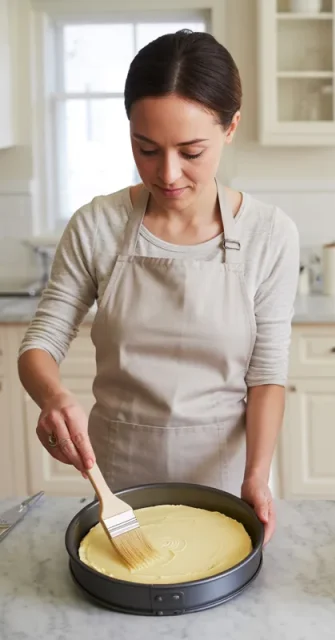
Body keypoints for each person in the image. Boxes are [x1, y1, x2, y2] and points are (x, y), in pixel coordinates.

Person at [18, 30, 299, 543]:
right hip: (117, 483)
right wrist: (52, 396)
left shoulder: (269, 233)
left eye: (191, 151)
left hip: (228, 481)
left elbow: (267, 376)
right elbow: (40, 341)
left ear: (231, 127)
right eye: (146, 149)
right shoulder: (97, 224)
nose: (167, 174)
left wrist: (255, 476)